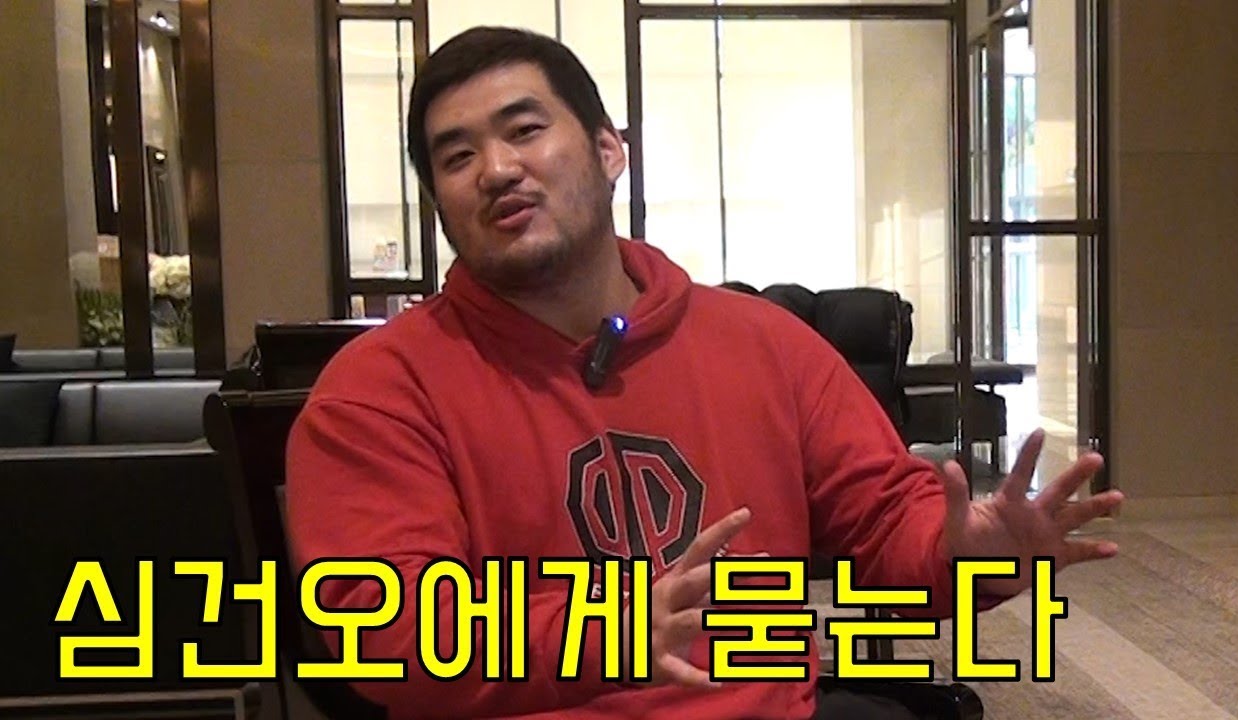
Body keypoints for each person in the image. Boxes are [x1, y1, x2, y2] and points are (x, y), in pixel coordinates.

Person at [285, 26, 1124, 720]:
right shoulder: (379, 389)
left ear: (609, 150)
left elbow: (884, 516)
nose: (496, 168)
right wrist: (610, 633)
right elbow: (383, 629)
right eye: (456, 156)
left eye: (525, 130)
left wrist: (971, 552)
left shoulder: (764, 345)